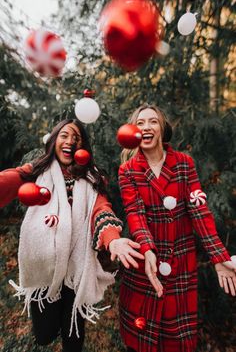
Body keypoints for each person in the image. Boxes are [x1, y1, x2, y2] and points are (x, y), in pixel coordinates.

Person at [0, 118, 144, 352]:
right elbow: (11, 179)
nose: (70, 141)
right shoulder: (37, 171)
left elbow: (101, 210)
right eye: (65, 135)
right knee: (45, 335)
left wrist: (113, 239)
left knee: (73, 338)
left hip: (78, 268)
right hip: (45, 267)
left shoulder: (91, 178)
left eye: (76, 138)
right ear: (54, 140)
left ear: (82, 147)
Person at [118, 104, 236, 352]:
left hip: (180, 265)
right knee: (142, 340)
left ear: (162, 128)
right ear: (133, 131)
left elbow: (199, 211)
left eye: (152, 121)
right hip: (144, 264)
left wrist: (218, 256)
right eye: (140, 123)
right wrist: (148, 249)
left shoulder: (184, 164)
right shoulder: (127, 170)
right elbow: (135, 214)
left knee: (177, 341)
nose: (146, 127)